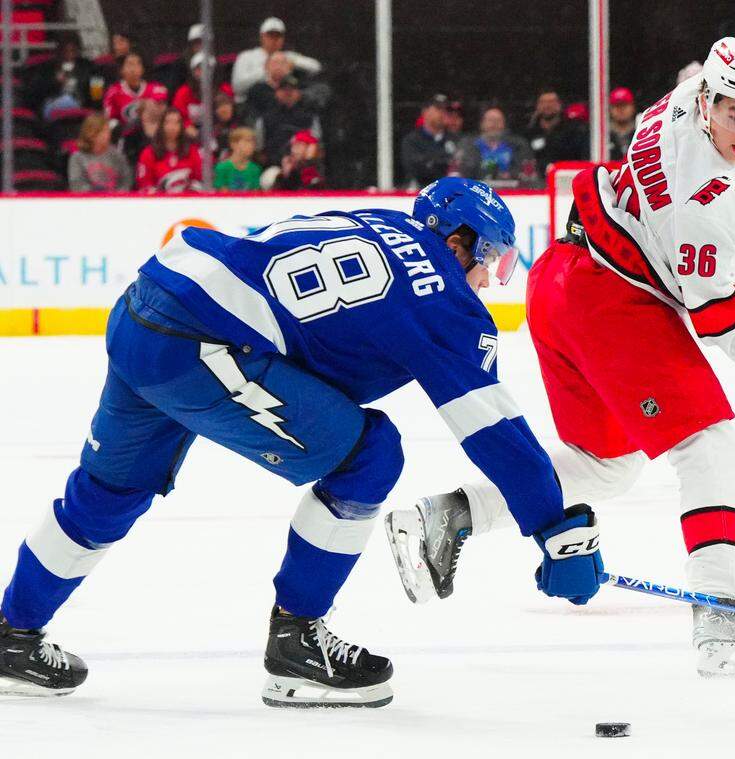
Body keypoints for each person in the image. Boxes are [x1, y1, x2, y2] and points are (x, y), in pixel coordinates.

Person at [0, 178, 602, 705]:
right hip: (198, 344)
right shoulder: (441, 294)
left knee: (110, 489)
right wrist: (555, 528)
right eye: (489, 262)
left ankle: (12, 635)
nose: (486, 282)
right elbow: (492, 427)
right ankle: (298, 641)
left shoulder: (380, 222)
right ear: (456, 243)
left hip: (145, 305)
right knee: (370, 455)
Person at [388, 37, 735, 680]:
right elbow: (717, 315)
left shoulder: (701, 91)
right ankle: (724, 626)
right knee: (710, 447)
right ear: (708, 103)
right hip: (610, 299)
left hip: (564, 279)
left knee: (604, 466)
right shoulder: (703, 200)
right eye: (733, 115)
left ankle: (447, 516)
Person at [231, 17, 322, 104]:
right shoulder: (246, 56)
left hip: (281, 104)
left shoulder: (288, 56)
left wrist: (292, 64)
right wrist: (266, 72)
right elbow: (237, 87)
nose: (274, 40)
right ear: (262, 36)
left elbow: (316, 67)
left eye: (278, 36)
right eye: (270, 36)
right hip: (249, 104)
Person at [456, 106, 534, 185]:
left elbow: (528, 172)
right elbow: (460, 171)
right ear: (482, 124)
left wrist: (511, 175)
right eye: (490, 120)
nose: (494, 124)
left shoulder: (518, 145)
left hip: (511, 191)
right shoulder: (468, 145)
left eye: (498, 121)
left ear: (504, 124)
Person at [255, 75, 321, 165]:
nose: (288, 93)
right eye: (284, 90)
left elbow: (316, 145)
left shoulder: (310, 117)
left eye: (292, 90)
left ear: (298, 93)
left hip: (303, 165)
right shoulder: (265, 118)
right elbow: (259, 149)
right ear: (276, 93)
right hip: (274, 166)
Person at [135, 108, 203, 193]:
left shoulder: (192, 151)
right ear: (161, 125)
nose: (172, 127)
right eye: (168, 122)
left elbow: (199, 179)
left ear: (181, 126)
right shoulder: (148, 153)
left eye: (176, 123)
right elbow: (144, 184)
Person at [399, 94, 458, 189]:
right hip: (419, 193)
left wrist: (433, 162)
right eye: (438, 109)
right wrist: (444, 162)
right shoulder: (412, 140)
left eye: (446, 110)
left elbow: (463, 167)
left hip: (450, 193)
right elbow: (417, 170)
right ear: (425, 112)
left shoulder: (456, 139)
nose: (443, 113)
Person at [524, 87, 588, 174]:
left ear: (559, 105)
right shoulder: (530, 132)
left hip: (565, 178)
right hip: (537, 181)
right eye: (543, 102)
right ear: (537, 106)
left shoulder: (573, 131)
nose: (547, 105)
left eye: (551, 102)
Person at [102, 52, 169, 136]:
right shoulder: (113, 92)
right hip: (126, 136)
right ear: (122, 70)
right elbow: (109, 120)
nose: (133, 68)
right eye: (130, 64)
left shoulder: (156, 89)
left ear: (142, 69)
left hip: (152, 135)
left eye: (138, 64)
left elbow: (161, 111)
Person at [172, 52, 236, 136]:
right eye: (199, 68)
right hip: (192, 135)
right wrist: (188, 128)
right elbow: (178, 116)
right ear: (193, 71)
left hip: (220, 132)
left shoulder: (225, 89)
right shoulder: (183, 92)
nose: (203, 72)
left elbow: (233, 116)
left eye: (207, 67)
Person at [67, 114, 132, 192]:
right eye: (104, 131)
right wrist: (97, 194)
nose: (108, 135)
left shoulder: (117, 155)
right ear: (92, 134)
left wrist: (117, 195)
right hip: (88, 201)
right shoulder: (77, 158)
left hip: (115, 200)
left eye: (108, 131)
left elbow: (126, 180)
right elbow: (77, 184)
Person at [119, 91, 166, 168]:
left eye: (162, 103)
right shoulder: (132, 129)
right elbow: (125, 154)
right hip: (137, 167)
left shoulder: (166, 125)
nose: (158, 106)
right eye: (156, 103)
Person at [244, 51, 294, 122]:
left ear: (289, 68)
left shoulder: (295, 90)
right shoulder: (256, 90)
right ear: (266, 66)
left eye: (283, 63)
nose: (279, 66)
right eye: (275, 63)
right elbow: (251, 116)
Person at [213, 127, 262, 191]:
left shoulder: (255, 169)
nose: (251, 145)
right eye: (247, 141)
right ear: (234, 144)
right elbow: (222, 194)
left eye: (253, 143)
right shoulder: (222, 168)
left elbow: (255, 194)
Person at [608, 87, 637, 160]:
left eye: (625, 105)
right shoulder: (603, 136)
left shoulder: (641, 131)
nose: (621, 110)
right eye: (617, 106)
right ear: (610, 109)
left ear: (633, 107)